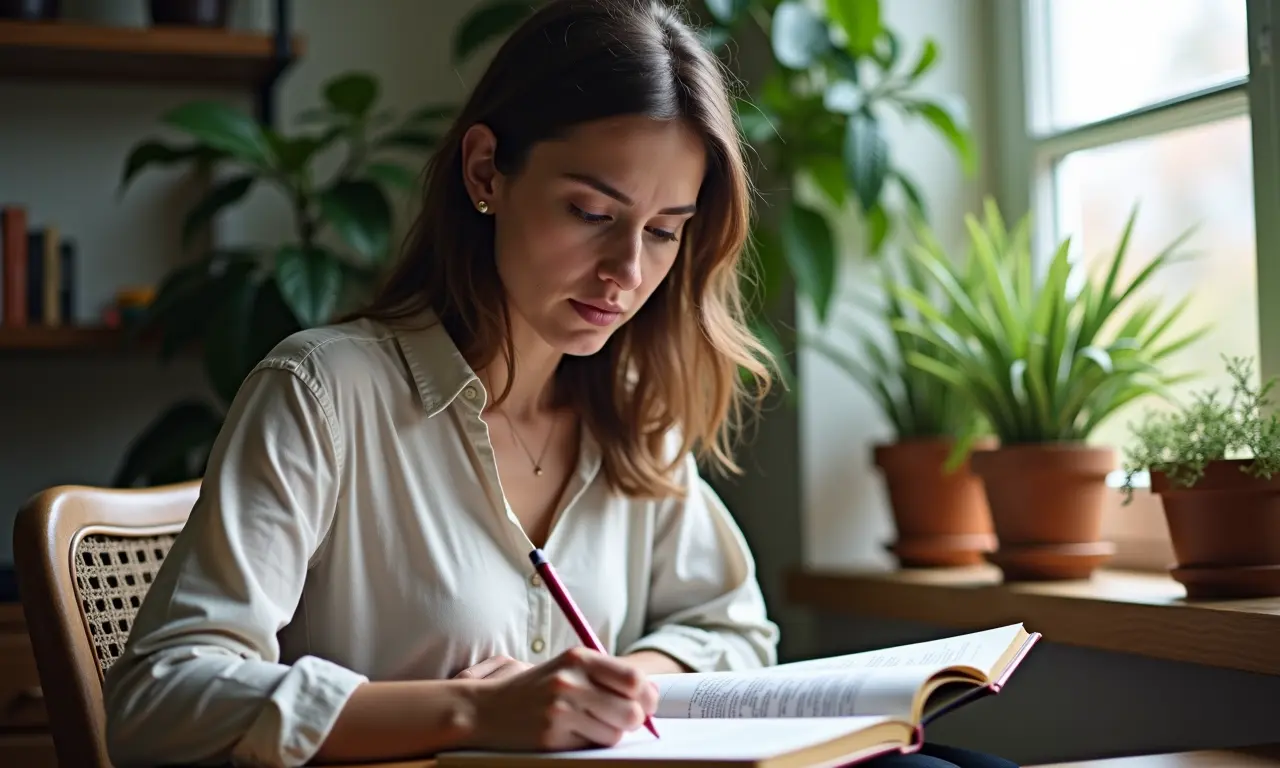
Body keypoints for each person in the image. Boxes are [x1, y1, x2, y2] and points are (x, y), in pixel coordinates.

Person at [102, 2, 1018, 767]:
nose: (626, 269)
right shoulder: (325, 394)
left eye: (664, 231)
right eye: (591, 212)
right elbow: (160, 697)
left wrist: (622, 682)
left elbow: (735, 628)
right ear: (485, 172)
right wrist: (466, 714)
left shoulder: (632, 413)